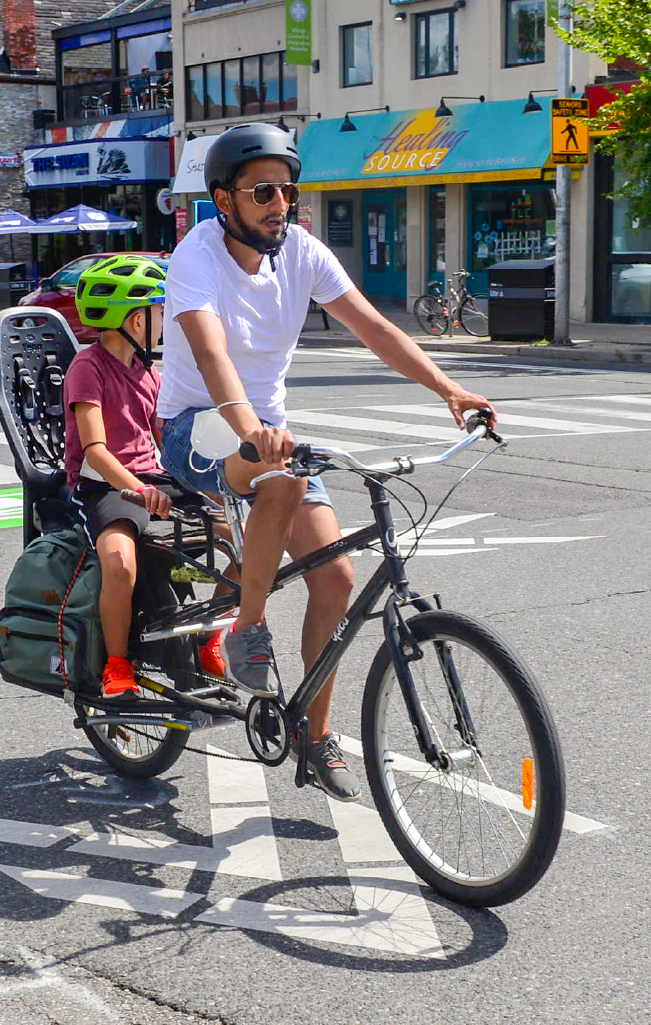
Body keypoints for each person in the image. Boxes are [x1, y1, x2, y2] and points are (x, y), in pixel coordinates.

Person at [157, 123, 495, 802]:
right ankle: (248, 629)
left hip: (266, 433)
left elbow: (374, 327)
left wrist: (449, 391)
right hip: (200, 426)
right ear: (224, 200)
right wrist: (251, 429)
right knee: (279, 475)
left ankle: (315, 735)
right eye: (262, 193)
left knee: (337, 578)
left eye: (287, 190)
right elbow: (213, 353)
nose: (280, 202)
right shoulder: (195, 258)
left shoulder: (302, 253)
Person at [65, 254, 227, 698]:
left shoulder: (149, 373)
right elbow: (95, 451)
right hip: (104, 485)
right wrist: (136, 490)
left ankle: (210, 635)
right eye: (159, 313)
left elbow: (165, 436)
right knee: (120, 561)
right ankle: (117, 664)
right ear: (136, 321)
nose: (164, 323)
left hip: (151, 476)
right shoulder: (88, 367)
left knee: (242, 535)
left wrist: (214, 472)